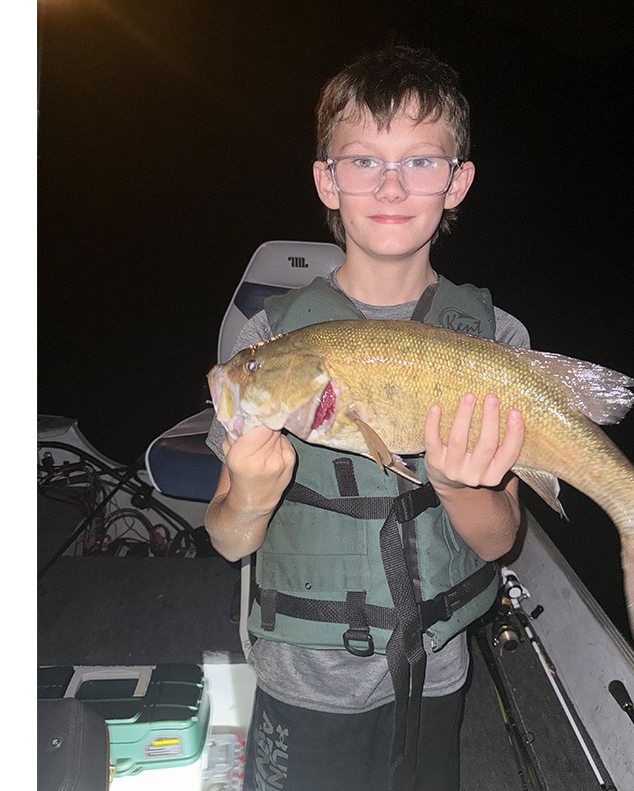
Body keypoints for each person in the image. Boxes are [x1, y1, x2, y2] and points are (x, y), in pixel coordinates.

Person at [205, 44, 530, 791]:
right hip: (304, 674)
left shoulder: (497, 340)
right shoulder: (270, 343)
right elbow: (227, 540)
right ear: (326, 178)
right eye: (361, 161)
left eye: (420, 161)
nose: (389, 183)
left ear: (457, 183)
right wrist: (250, 494)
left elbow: (499, 537)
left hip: (437, 663)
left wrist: (454, 482)